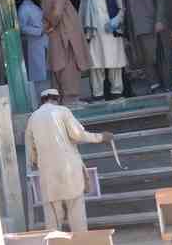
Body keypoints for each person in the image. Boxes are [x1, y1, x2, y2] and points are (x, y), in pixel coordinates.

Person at [25, 89, 112, 233]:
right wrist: (101, 137)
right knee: (76, 213)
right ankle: (80, 243)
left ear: (42, 101)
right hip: (70, 170)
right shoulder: (63, 111)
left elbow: (31, 151)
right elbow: (77, 135)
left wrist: (38, 162)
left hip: (48, 174)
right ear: (57, 99)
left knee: (53, 219)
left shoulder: (32, 118)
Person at [122, 0, 171, 92]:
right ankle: (154, 85)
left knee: (158, 56)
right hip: (137, 29)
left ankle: (167, 85)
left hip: (151, 26)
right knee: (144, 58)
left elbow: (160, 0)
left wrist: (159, 20)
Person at [42, 0, 91, 108]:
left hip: (57, 37)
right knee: (69, 69)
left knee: (59, 69)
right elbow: (57, 13)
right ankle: (71, 99)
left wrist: (49, 26)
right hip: (66, 38)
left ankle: (62, 99)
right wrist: (53, 24)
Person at [78, 0, 127, 101]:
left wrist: (116, 21)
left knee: (114, 63)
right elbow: (81, 11)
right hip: (93, 34)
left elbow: (122, 8)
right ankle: (98, 95)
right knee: (95, 65)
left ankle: (117, 93)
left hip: (111, 32)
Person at [18, 0, 48, 100]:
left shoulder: (37, 6)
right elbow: (22, 27)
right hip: (36, 45)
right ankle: (43, 102)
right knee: (40, 76)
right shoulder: (24, 8)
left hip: (45, 44)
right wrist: (39, 31)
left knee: (48, 74)